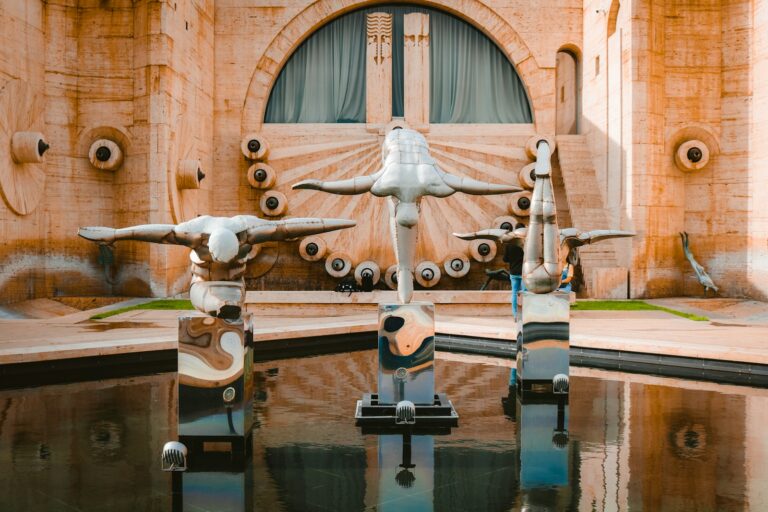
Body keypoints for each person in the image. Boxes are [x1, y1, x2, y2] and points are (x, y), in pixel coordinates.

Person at [503, 242, 525, 317]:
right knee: (525, 293)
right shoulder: (524, 243)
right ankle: (524, 314)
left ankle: (515, 315)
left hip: (513, 272)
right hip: (523, 272)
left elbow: (505, 259)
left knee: (514, 294)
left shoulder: (509, 245)